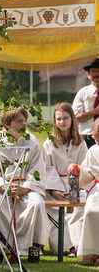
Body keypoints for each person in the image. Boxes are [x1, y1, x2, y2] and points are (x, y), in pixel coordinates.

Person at [0, 106, 49, 263]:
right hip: (3, 187)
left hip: (26, 185)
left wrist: (26, 187)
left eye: (25, 121)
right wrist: (2, 187)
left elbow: (37, 170)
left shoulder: (31, 140)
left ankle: (34, 246)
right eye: (19, 121)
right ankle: (0, 244)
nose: (24, 124)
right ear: (7, 124)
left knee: (36, 204)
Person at [42, 102, 87, 255]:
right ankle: (58, 246)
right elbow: (47, 168)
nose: (62, 122)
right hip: (55, 188)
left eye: (65, 118)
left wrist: (75, 186)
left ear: (72, 119)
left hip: (76, 186)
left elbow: (84, 166)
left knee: (78, 209)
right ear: (55, 121)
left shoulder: (80, 142)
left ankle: (76, 246)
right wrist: (54, 189)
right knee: (52, 208)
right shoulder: (49, 142)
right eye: (58, 119)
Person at [68, 118, 99, 267]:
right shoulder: (93, 150)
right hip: (97, 191)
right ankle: (95, 253)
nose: (96, 143)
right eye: (95, 139)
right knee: (91, 212)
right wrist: (78, 170)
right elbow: (88, 175)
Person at [72, 58, 99, 148]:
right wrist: (95, 111)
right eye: (94, 71)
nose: (97, 74)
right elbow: (76, 118)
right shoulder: (83, 93)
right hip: (87, 136)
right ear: (88, 75)